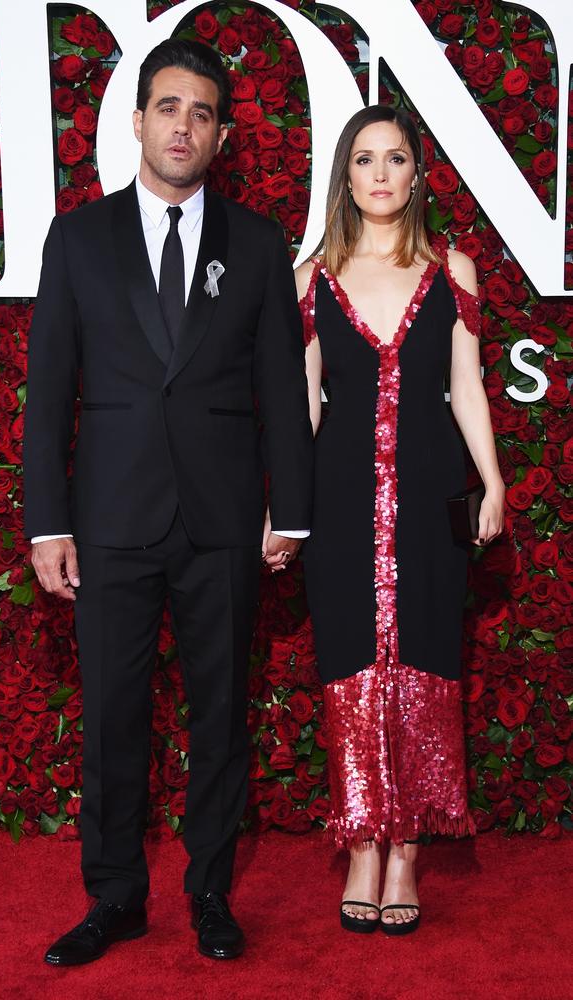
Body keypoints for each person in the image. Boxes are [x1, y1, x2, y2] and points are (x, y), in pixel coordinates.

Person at [23, 39, 313, 965]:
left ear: (220, 135)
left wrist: (291, 510)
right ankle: (114, 897)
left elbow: (280, 389)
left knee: (221, 715)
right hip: (108, 522)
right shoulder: (78, 239)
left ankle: (210, 893)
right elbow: (49, 391)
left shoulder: (259, 245)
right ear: (138, 120)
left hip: (223, 522)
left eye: (200, 113)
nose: (181, 125)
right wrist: (48, 522)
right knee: (112, 716)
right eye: (167, 107)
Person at [296, 105, 504, 936]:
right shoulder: (310, 276)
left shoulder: (453, 270)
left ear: (417, 176)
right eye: (364, 160)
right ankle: (360, 845)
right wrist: (284, 509)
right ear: (344, 179)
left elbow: (470, 386)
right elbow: (302, 401)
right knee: (349, 663)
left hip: (427, 495)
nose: (379, 174)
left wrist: (492, 484)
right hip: (338, 502)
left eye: (395, 160)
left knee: (423, 664)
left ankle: (407, 849)